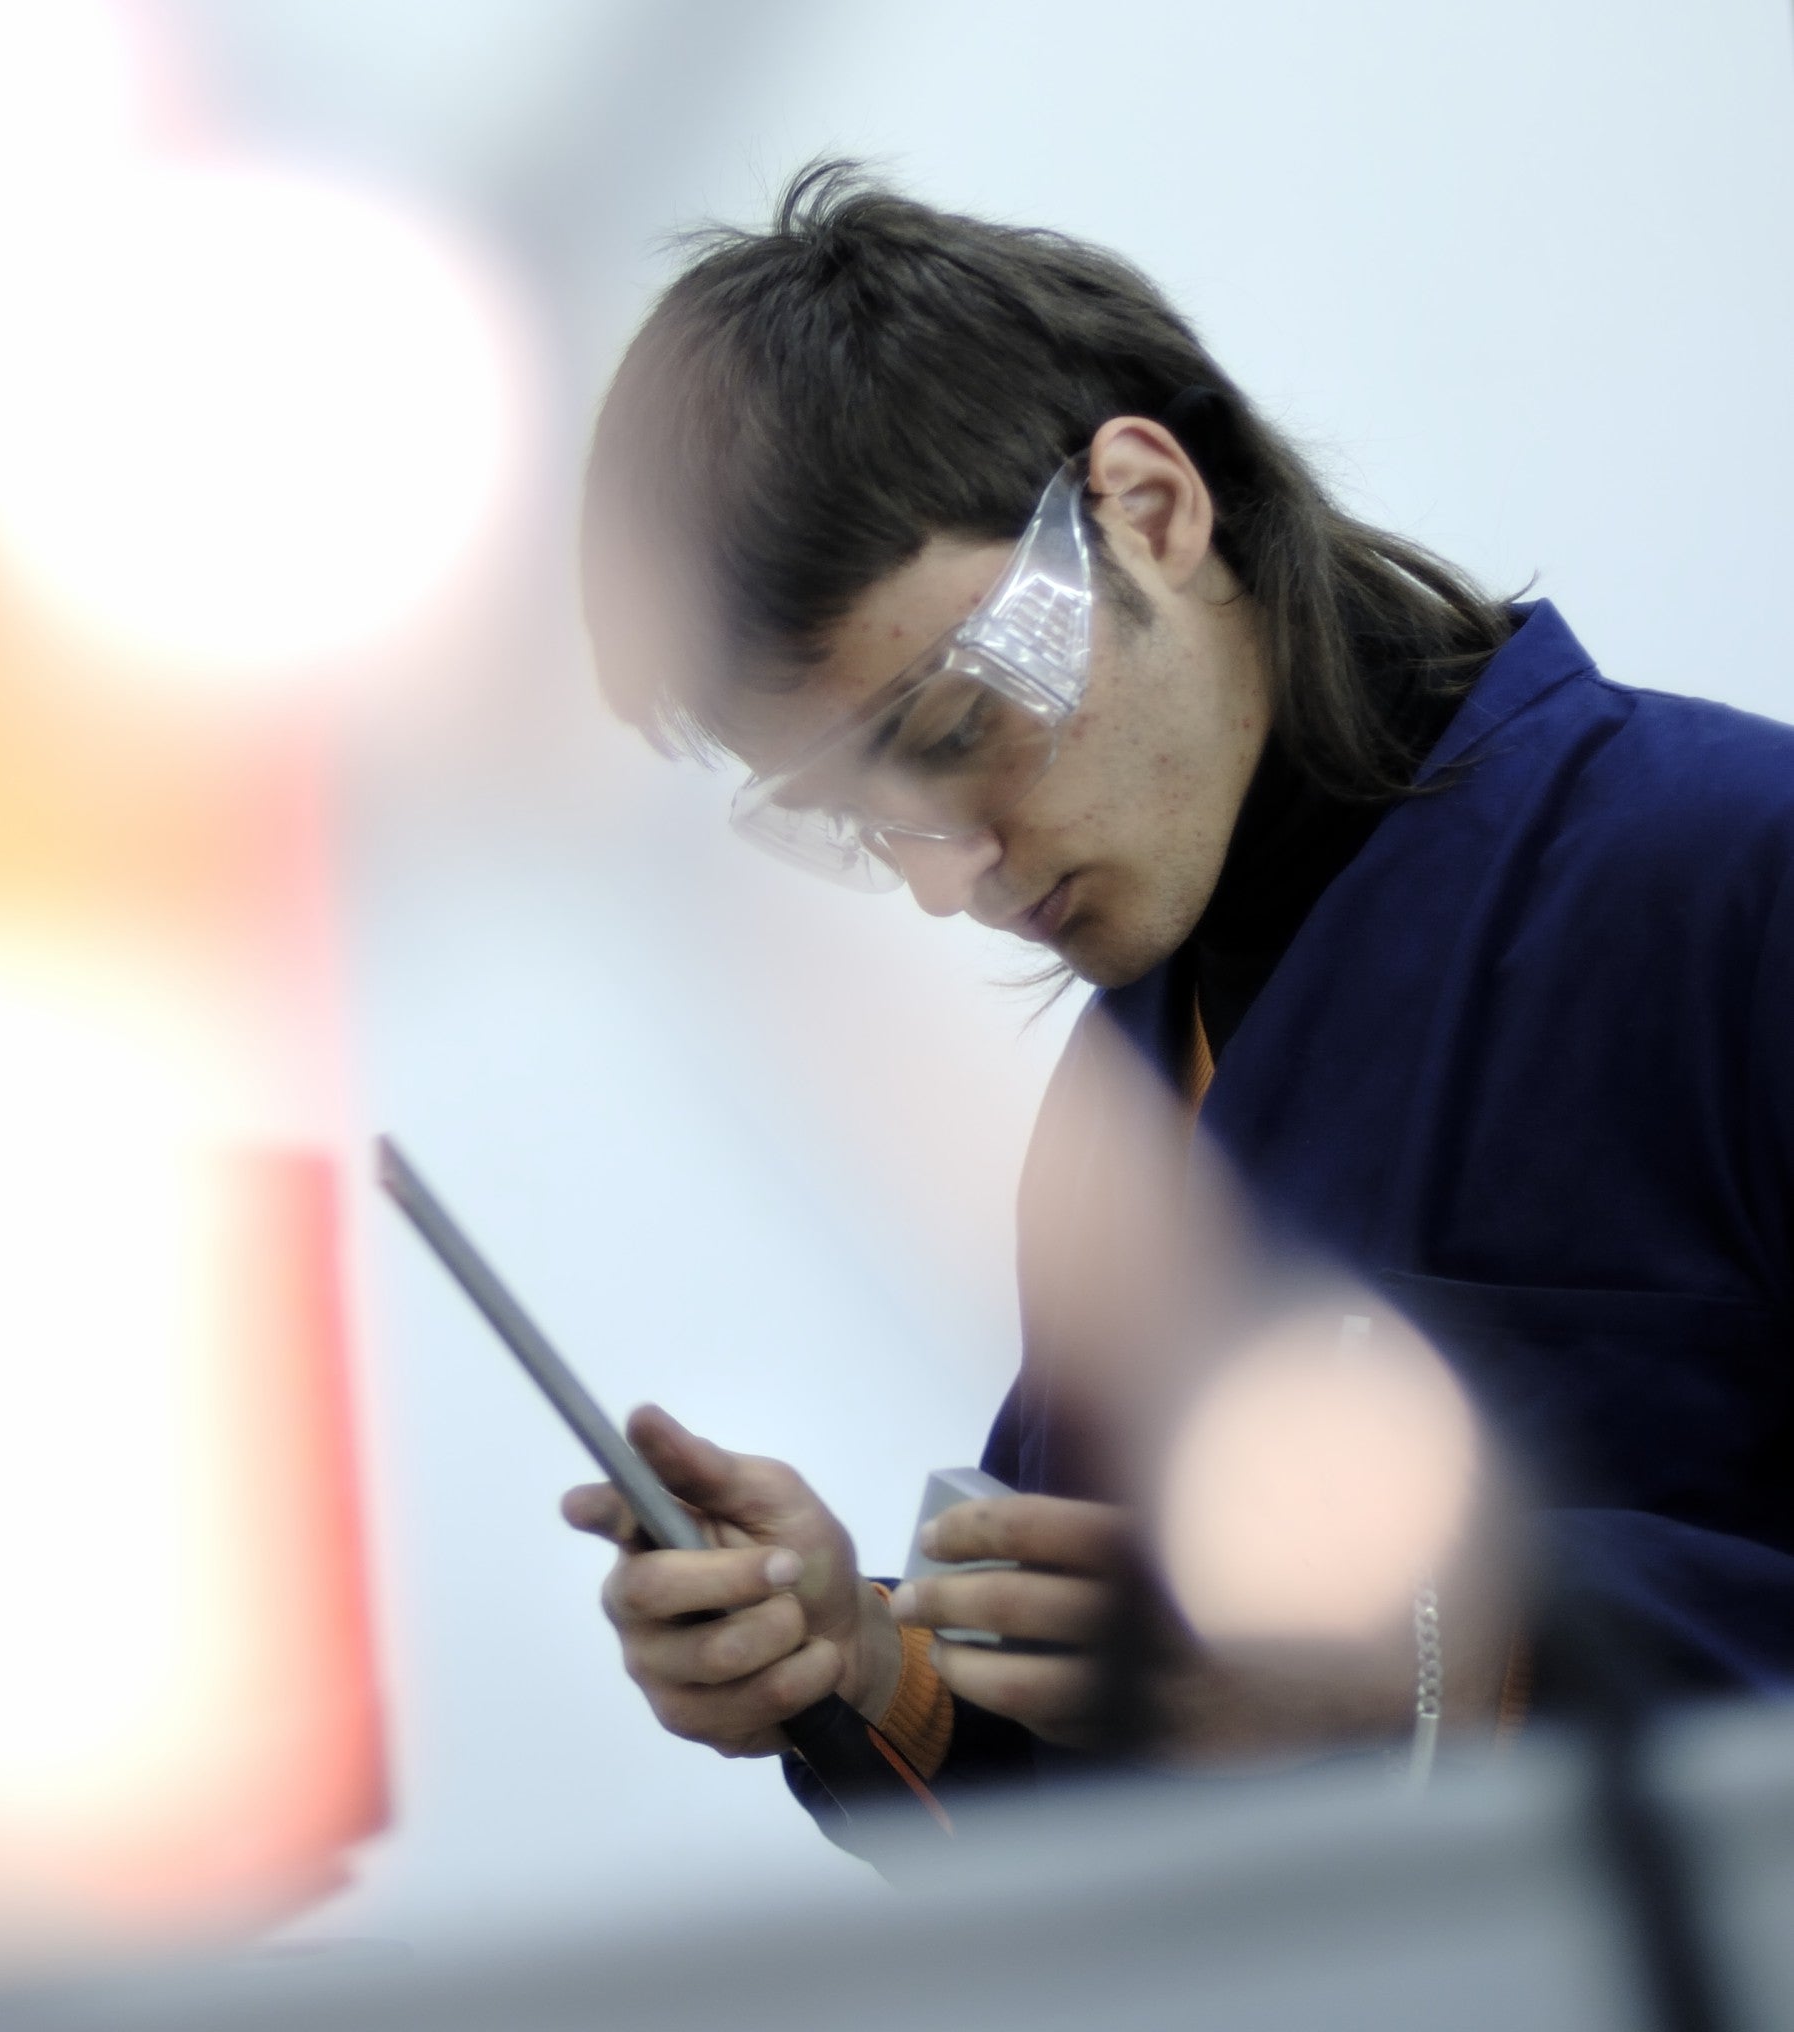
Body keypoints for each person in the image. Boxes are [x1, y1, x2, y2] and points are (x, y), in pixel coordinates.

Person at [565, 162, 1794, 1826]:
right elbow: (1141, 1779)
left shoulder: (1737, 878)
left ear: (1148, 509)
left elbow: (1380, 1678)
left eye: (954, 730)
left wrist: (1449, 1657)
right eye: (859, 823)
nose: (946, 879)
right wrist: (867, 1667)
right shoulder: (1120, 1113)